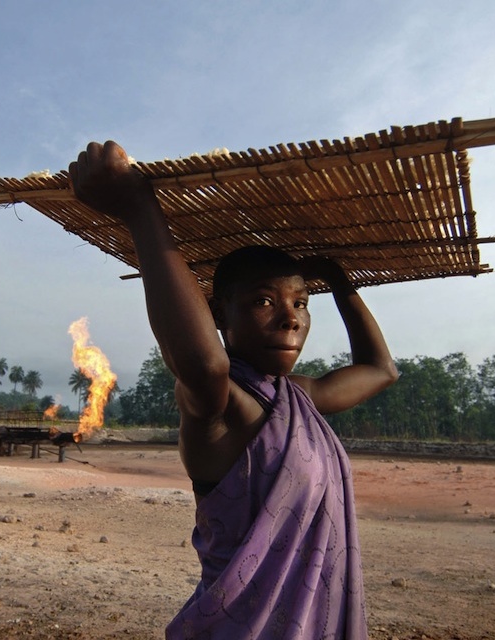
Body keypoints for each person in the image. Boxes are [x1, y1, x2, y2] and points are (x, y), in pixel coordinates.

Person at [69, 141, 399, 640]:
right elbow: (204, 363)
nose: (291, 317)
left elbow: (381, 370)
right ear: (220, 315)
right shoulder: (220, 406)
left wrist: (337, 283)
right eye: (264, 301)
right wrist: (140, 209)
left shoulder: (296, 397)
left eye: (301, 302)